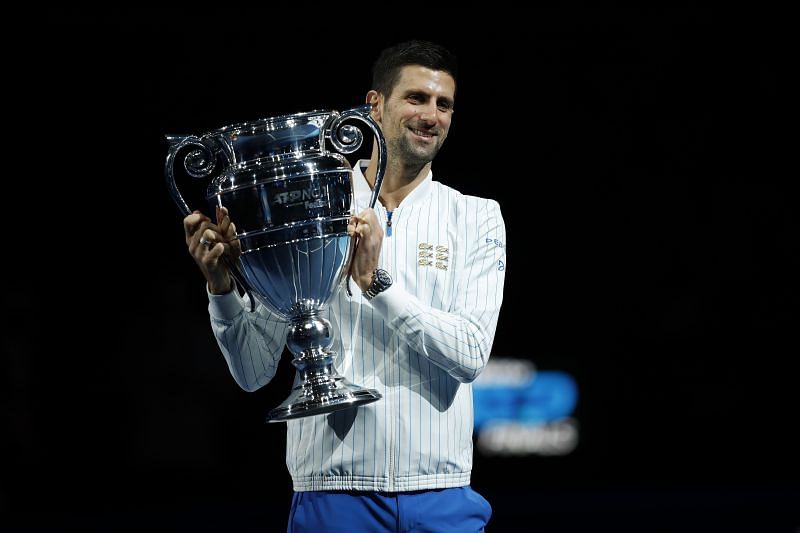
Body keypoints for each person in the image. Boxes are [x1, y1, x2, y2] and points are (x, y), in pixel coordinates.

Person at [182, 39, 507, 532]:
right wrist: (222, 289)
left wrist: (377, 284)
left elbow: (470, 354)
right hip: (333, 496)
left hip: (442, 496)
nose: (431, 116)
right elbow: (252, 373)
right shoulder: (308, 207)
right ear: (374, 106)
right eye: (416, 98)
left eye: (444, 104)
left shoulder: (477, 217)